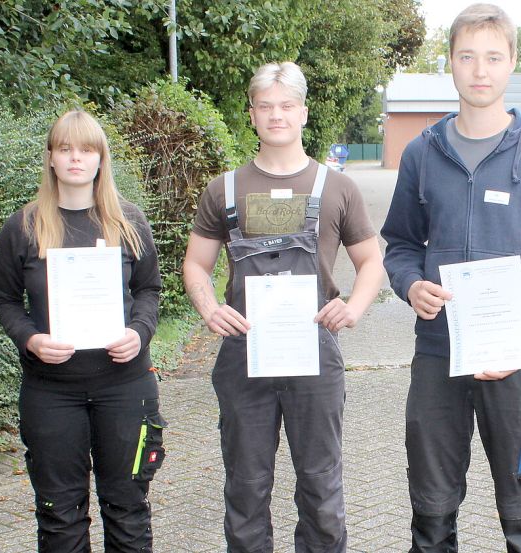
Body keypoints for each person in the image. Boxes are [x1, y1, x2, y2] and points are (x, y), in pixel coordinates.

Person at [380, 4, 521, 552]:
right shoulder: (422, 153)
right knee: (431, 512)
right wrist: (409, 285)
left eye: (493, 57)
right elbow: (399, 244)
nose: (480, 70)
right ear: (450, 62)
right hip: (438, 357)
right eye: (467, 56)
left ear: (512, 63)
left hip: (515, 359)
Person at [182, 62, 384, 552]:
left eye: (286, 106)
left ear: (304, 113)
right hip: (243, 354)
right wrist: (209, 308)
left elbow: (371, 259)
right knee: (247, 486)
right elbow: (195, 264)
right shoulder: (223, 189)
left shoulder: (336, 187)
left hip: (313, 352)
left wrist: (354, 306)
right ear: (251, 114)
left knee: (320, 484)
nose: (277, 115)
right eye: (266, 106)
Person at [0, 110, 164, 551]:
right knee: (59, 515)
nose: (75, 159)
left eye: (86, 149)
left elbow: (149, 290)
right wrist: (31, 339)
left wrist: (139, 332)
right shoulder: (24, 227)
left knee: (127, 508)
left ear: (100, 159)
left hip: (124, 387)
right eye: (65, 149)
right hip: (51, 392)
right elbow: (4, 300)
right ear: (50, 158)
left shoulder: (128, 221)